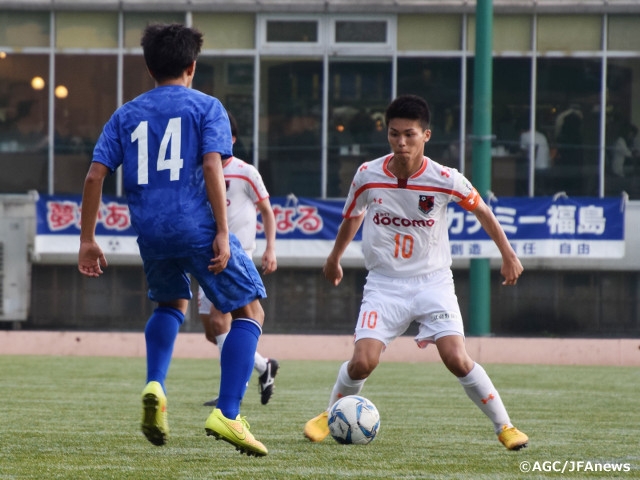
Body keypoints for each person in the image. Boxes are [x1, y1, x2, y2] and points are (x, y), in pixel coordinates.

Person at [78, 23, 268, 456]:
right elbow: (212, 167)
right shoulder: (208, 107)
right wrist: (222, 230)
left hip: (150, 230)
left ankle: (156, 386)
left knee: (171, 304)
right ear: (192, 66)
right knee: (250, 311)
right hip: (196, 226)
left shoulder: (125, 114)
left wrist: (87, 239)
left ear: (149, 68)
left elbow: (94, 175)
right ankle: (229, 413)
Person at [303, 94, 529, 451]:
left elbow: (483, 210)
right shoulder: (367, 175)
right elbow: (353, 216)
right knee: (363, 363)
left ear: (426, 135)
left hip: (433, 282)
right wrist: (334, 258)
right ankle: (330, 414)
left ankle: (506, 427)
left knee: (456, 358)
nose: (401, 143)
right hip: (384, 283)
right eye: (394, 134)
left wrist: (508, 254)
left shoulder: (445, 178)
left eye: (409, 134)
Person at [198, 112, 279, 408]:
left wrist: (270, 248)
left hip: (235, 254)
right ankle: (263, 366)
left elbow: (267, 211)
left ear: (232, 140)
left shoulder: (245, 171)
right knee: (211, 329)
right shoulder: (201, 169)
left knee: (223, 320)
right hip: (205, 254)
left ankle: (231, 394)